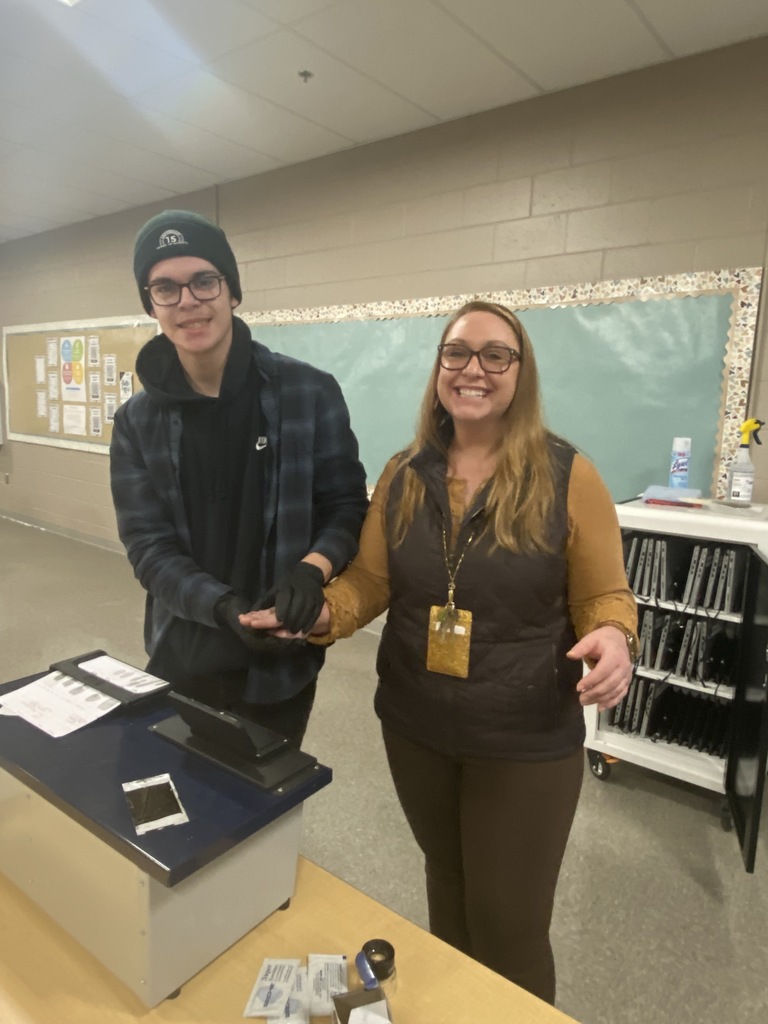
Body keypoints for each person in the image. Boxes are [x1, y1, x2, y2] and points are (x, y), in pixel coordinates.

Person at [243, 299, 637, 1002]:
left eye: (495, 355)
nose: (473, 369)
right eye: (457, 352)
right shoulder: (404, 473)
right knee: (448, 899)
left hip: (523, 737)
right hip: (417, 725)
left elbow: (605, 595)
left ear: (521, 372)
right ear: (439, 369)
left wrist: (612, 637)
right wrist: (318, 615)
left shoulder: (568, 475)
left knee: (509, 927)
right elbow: (369, 580)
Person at [109, 209, 368, 745]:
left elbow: (345, 505)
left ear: (232, 291)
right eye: (165, 287)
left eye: (204, 280)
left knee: (263, 811)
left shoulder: (308, 392)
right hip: (182, 653)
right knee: (176, 803)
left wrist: (311, 571)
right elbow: (148, 548)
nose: (187, 301)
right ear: (150, 303)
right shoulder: (137, 423)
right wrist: (223, 607)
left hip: (282, 662)